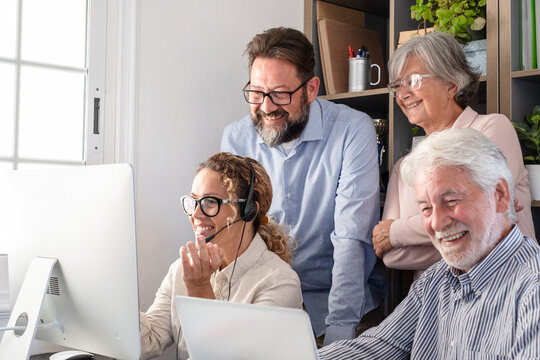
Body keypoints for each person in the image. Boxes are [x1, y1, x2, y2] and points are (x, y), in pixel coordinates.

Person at [221, 27, 384, 345]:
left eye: (280, 94)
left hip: (335, 308)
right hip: (261, 306)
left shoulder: (352, 130)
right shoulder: (236, 137)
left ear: (311, 89)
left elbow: (351, 238)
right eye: (256, 93)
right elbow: (233, 236)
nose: (266, 107)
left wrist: (339, 336)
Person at [319, 128, 540, 359]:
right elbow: (376, 347)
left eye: (451, 201)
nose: (436, 223)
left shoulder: (533, 290)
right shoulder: (435, 280)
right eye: (425, 208)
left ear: (500, 195)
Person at [372, 31, 535, 279]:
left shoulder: (491, 129)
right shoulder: (405, 166)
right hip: (436, 305)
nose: (402, 94)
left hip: (506, 287)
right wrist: (464, 237)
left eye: (413, 80)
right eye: (397, 85)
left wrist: (395, 233)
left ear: (450, 84)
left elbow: (491, 216)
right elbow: (392, 256)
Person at [139, 152, 302, 359]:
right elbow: (150, 338)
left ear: (248, 211)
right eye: (194, 201)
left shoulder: (279, 283)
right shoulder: (183, 268)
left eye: (210, 202)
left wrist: (199, 288)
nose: (196, 215)